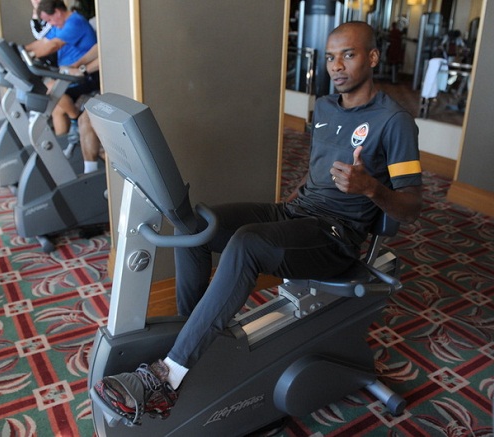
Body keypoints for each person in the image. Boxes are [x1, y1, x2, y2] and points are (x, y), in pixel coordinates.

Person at [91, 21, 423, 425]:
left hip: (337, 235)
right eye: (330, 57)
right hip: (298, 213)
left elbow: (411, 206)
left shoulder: (394, 121)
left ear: (372, 57)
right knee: (195, 225)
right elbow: (318, 176)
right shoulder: (324, 106)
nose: (336, 66)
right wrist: (293, 208)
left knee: (248, 243)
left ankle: (167, 376)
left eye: (348, 55)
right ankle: (192, 339)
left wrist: (370, 187)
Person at [24, 0, 98, 136]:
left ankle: (75, 117)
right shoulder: (60, 24)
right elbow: (44, 41)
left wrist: (32, 55)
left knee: (49, 88)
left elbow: (54, 45)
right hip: (68, 72)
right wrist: (23, 50)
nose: (50, 24)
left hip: (86, 75)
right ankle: (63, 145)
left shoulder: (75, 22)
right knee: (57, 109)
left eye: (50, 20)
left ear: (57, 12)